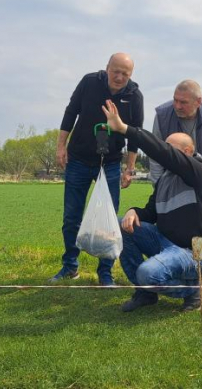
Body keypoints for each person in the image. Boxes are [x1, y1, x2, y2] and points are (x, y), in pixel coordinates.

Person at [100, 99, 202, 312]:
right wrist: (133, 211)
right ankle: (145, 293)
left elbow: (161, 152)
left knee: (148, 273)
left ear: (188, 152)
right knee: (121, 225)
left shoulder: (199, 172)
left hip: (196, 251)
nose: (164, 154)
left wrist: (125, 129)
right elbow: (149, 213)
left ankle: (193, 289)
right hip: (165, 243)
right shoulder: (164, 180)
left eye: (169, 149)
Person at [52, 53, 144, 285]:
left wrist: (130, 168)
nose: (120, 77)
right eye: (116, 71)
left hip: (111, 163)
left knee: (109, 219)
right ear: (107, 68)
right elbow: (70, 112)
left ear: (131, 75)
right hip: (79, 160)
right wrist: (61, 146)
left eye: (125, 73)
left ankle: (105, 272)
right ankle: (70, 266)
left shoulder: (134, 96)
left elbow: (135, 134)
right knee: (71, 216)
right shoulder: (89, 82)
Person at [149, 79, 202, 197]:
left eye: (183, 102)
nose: (177, 106)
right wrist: (159, 185)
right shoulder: (162, 116)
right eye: (175, 100)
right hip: (171, 182)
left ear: (198, 101)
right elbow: (155, 152)